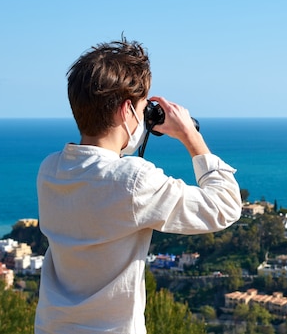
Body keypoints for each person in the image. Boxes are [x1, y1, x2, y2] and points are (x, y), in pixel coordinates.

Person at [35, 38, 242, 334]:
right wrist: (189, 136)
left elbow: (97, 175)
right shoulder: (133, 181)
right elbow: (225, 207)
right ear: (126, 111)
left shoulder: (50, 170)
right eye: (142, 109)